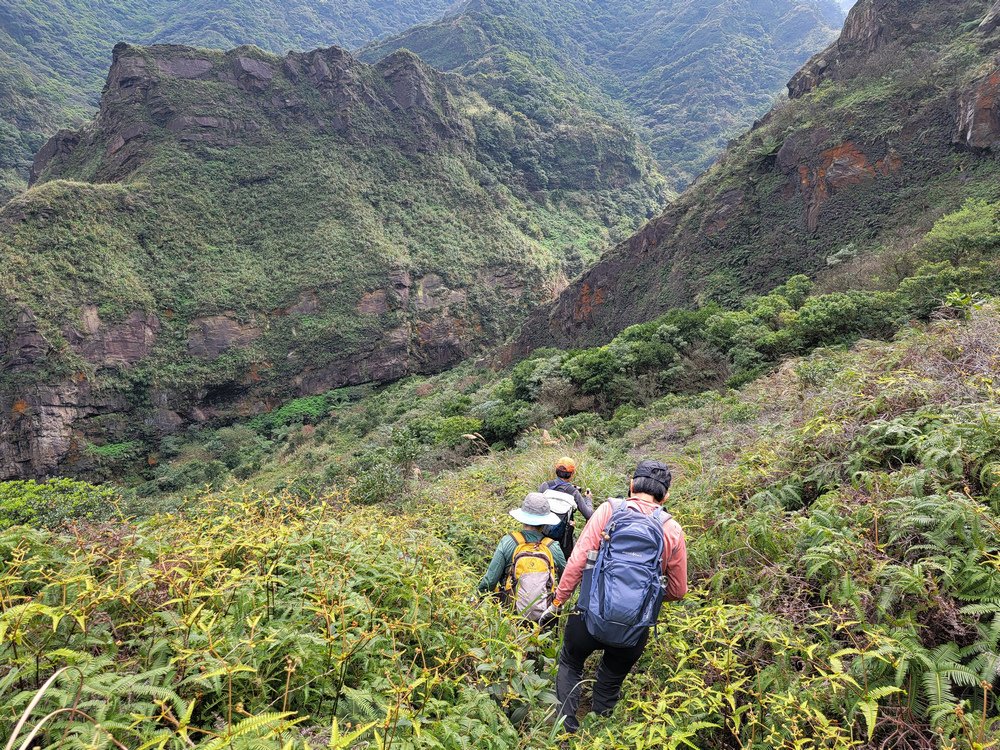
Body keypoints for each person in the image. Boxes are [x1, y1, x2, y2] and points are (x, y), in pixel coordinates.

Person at [546, 460, 687, 733]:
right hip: (633, 630)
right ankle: (600, 730)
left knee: (571, 662)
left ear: (632, 485)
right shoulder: (672, 529)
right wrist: (645, 598)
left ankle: (566, 729)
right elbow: (678, 590)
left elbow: (577, 562)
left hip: (587, 616)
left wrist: (558, 601)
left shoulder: (609, 510)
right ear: (666, 495)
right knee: (611, 678)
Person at [478, 493, 568, 621]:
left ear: (523, 518)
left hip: (510, 613)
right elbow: (566, 579)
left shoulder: (508, 542)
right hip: (544, 616)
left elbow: (490, 580)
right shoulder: (552, 547)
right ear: (545, 521)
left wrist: (478, 597)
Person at [539, 457, 594, 559]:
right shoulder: (573, 492)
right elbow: (589, 514)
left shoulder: (545, 486)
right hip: (563, 539)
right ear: (572, 474)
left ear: (556, 470)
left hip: (542, 534)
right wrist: (588, 499)